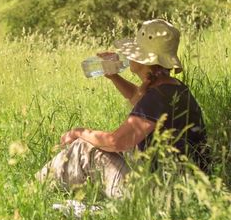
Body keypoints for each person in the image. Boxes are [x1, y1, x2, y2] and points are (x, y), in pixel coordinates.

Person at [36, 19, 209, 198]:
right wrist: (114, 77)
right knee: (100, 148)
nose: (130, 56)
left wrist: (79, 132)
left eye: (135, 52)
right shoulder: (172, 88)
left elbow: (116, 142)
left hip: (160, 195)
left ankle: (33, 193)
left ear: (145, 60)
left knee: (83, 148)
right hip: (185, 189)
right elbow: (138, 99)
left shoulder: (157, 96)